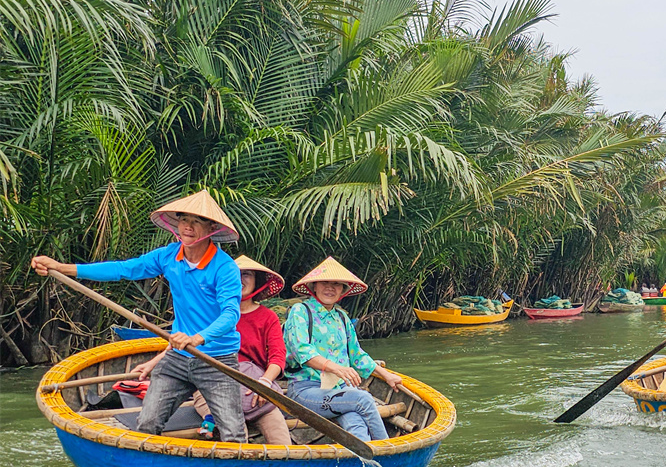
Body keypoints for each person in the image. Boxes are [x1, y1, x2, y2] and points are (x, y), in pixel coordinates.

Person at [31, 190, 246, 442]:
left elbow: (230, 315)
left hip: (217, 360)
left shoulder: (224, 267)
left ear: (210, 228)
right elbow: (123, 269)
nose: (187, 227)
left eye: (196, 221)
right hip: (177, 358)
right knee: (147, 424)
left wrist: (198, 338)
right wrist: (61, 268)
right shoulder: (168, 256)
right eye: (183, 219)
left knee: (233, 434)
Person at [129, 255, 293, 444]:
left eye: (246, 274)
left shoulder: (268, 317)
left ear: (257, 282)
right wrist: (150, 365)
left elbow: (278, 356)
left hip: (253, 388)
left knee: (282, 441)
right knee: (227, 429)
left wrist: (264, 383)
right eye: (233, 275)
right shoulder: (207, 312)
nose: (239, 280)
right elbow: (182, 345)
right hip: (210, 381)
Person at [283, 257, 402, 442]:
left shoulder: (342, 318)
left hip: (337, 390)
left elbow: (357, 355)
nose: (330, 288)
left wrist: (386, 375)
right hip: (305, 390)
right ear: (314, 286)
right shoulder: (300, 311)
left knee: (355, 421)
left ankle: (365, 465)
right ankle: (389, 451)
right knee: (362, 399)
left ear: (342, 291)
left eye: (337, 284)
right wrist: (337, 368)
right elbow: (302, 352)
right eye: (325, 283)